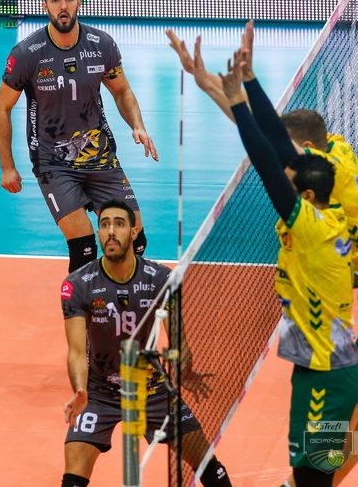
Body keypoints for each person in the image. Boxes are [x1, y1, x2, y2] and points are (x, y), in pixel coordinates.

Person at [231, 22, 358, 484]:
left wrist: (245, 90)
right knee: (357, 405)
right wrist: (246, 84)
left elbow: (271, 148)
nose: (290, 167)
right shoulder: (336, 150)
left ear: (306, 151)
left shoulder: (327, 174)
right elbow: (275, 142)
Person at [169, 37, 358, 485]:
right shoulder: (328, 201)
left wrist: (240, 99)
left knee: (313, 479)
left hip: (328, 375)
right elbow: (273, 144)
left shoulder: (311, 227)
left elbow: (266, 159)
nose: (283, 176)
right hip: (322, 368)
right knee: (305, 476)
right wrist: (220, 87)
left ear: (305, 194)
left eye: (290, 180)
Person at [0, 0, 158, 273]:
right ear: (45, 6)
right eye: (55, 0)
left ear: (78, 2)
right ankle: (83, 303)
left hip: (100, 157)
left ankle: (121, 298)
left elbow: (121, 91)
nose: (63, 6)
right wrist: (7, 166)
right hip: (54, 163)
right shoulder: (27, 54)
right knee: (84, 250)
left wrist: (138, 125)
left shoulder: (101, 44)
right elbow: (1, 108)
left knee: (135, 241)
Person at [59, 199, 232, 487]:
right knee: (73, 476)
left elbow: (178, 340)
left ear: (134, 232)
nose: (110, 231)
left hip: (152, 389)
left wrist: (184, 366)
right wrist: (79, 390)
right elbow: (76, 352)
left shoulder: (161, 278)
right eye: (104, 225)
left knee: (208, 466)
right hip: (99, 392)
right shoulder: (78, 284)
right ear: (98, 233)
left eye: (119, 224)